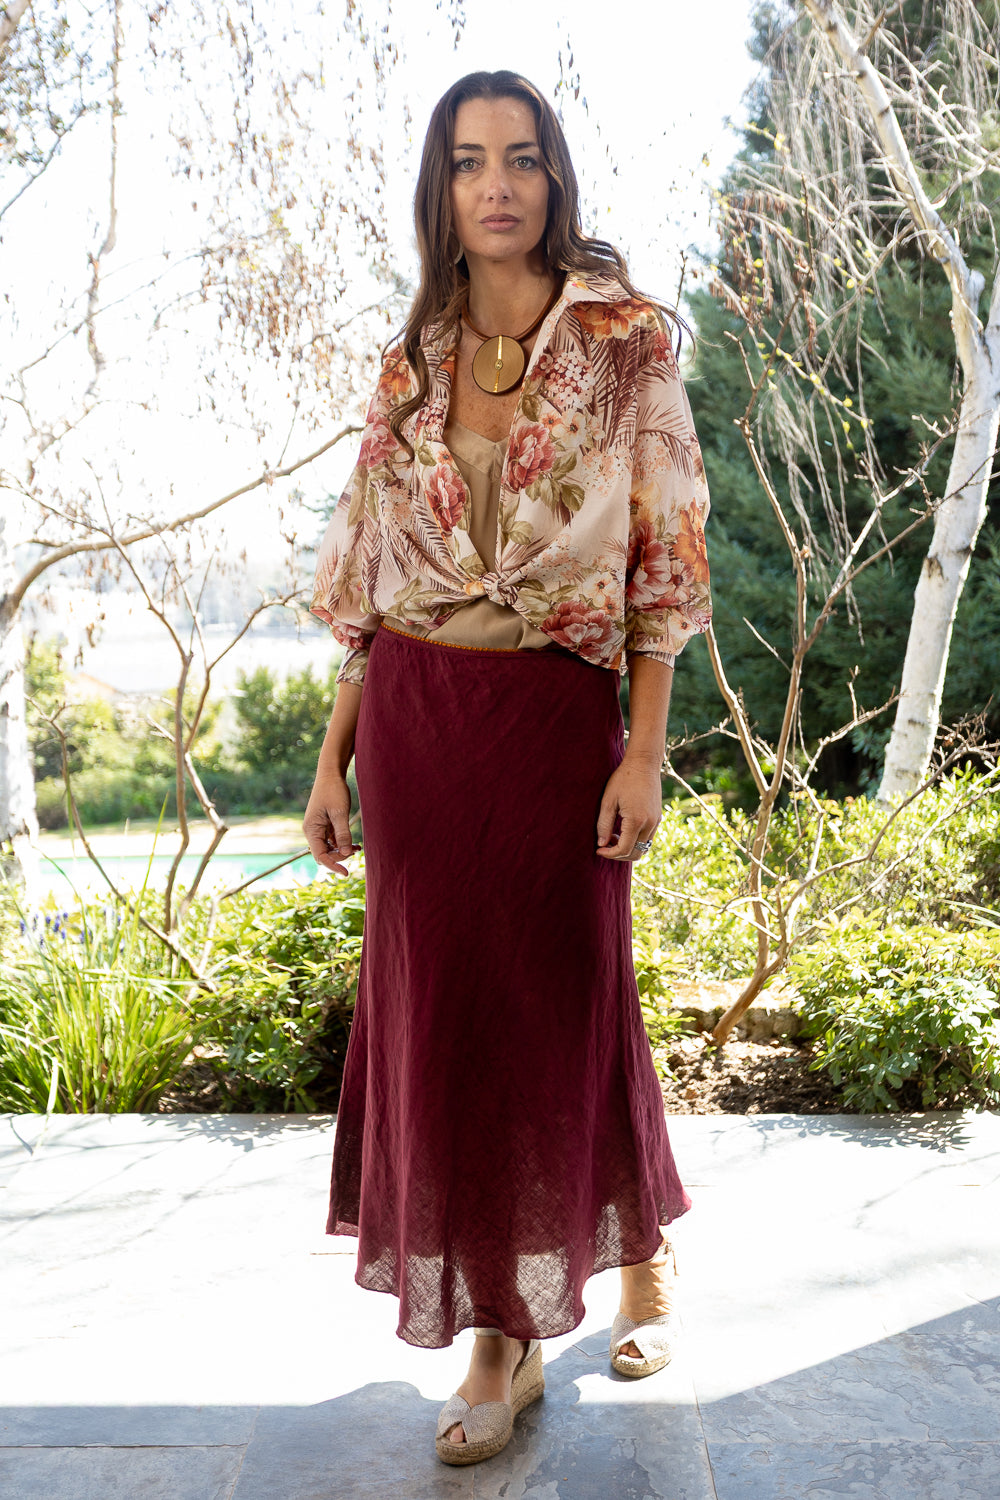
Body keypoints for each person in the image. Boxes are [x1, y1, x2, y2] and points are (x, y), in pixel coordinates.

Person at [303, 69, 711, 1467]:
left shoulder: (624, 341)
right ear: (443, 185)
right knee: (455, 1018)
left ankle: (612, 1271)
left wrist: (643, 751)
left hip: (552, 718)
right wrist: (333, 761)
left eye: (522, 158)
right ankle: (507, 1328)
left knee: (569, 995)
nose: (497, 184)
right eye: (471, 160)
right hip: (416, 723)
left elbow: (664, 560)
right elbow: (366, 575)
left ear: (553, 176)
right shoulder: (412, 355)